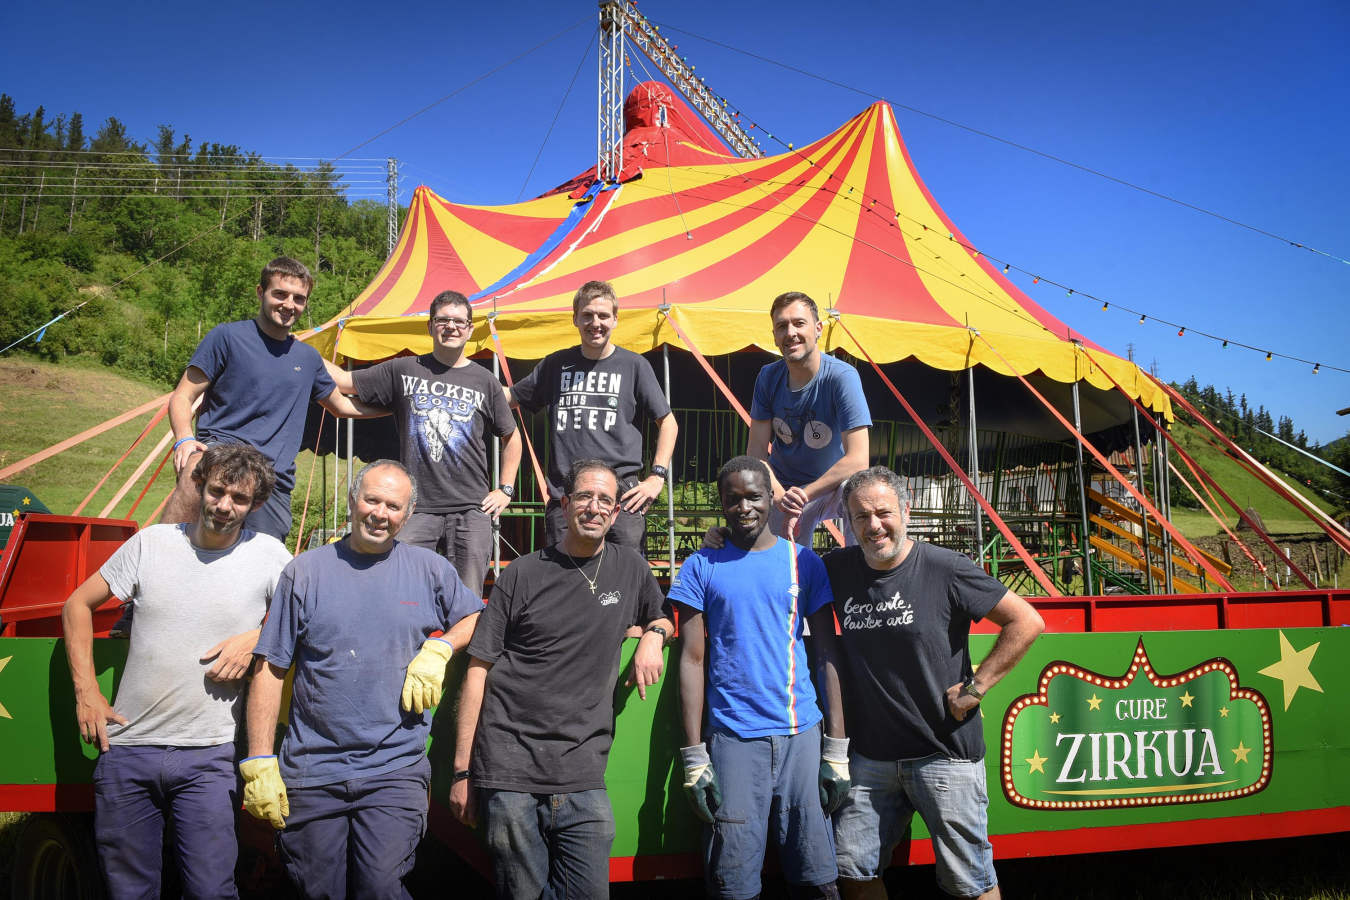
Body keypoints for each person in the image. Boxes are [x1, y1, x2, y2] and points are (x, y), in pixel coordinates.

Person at [241, 460, 482, 900]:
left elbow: (475, 617)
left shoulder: (429, 569)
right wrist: (259, 760)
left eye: (393, 506)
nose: (380, 513)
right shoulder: (304, 572)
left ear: (407, 516)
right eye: (372, 500)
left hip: (394, 768)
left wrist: (442, 647)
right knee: (318, 892)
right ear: (353, 501)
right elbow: (270, 667)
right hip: (313, 769)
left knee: (380, 888)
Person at [61, 444, 292, 900]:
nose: (224, 506)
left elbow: (302, 621)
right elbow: (76, 605)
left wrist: (256, 638)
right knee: (129, 892)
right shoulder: (152, 543)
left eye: (239, 499)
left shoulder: (269, 555)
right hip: (128, 748)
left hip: (207, 757)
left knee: (211, 891)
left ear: (257, 505)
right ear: (200, 486)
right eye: (218, 490)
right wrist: (86, 691)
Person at [817, 466, 1045, 900]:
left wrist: (977, 687)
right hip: (870, 760)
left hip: (944, 755)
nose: (874, 526)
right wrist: (721, 539)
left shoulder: (946, 568)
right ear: (849, 522)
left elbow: (1027, 621)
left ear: (906, 510)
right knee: (853, 869)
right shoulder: (837, 569)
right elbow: (777, 564)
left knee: (970, 881)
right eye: (860, 517)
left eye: (883, 513)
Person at [450, 458, 673, 899]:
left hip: (583, 772)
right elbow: (478, 671)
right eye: (585, 496)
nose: (594, 507)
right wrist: (462, 772)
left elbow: (660, 614)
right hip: (510, 770)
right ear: (566, 504)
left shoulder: (630, 568)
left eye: (605, 500)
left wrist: (654, 635)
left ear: (615, 512)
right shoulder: (522, 574)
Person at [670, 455, 844, 900]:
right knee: (733, 882)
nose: (744, 507)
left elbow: (826, 652)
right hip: (733, 739)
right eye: (733, 499)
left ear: (771, 498)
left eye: (753, 496)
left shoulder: (804, 563)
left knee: (817, 877)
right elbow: (691, 660)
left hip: (801, 735)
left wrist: (836, 750)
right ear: (721, 504)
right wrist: (694, 756)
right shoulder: (701, 566)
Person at [161, 256, 380, 540]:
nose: (289, 305)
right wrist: (184, 439)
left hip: (272, 480)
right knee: (176, 545)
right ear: (260, 292)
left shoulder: (307, 357)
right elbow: (183, 396)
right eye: (280, 294)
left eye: (299, 298)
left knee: (261, 571)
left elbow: (341, 405)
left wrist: (399, 408)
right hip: (223, 460)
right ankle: (148, 563)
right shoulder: (227, 337)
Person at [324, 289, 522, 596]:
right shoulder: (404, 370)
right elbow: (344, 382)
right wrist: (298, 352)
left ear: (469, 329)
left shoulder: (485, 382)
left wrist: (506, 489)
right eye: (443, 320)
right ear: (430, 327)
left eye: (459, 321)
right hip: (416, 507)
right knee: (402, 589)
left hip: (471, 508)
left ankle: (460, 646)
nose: (451, 327)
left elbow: (512, 436)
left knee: (466, 597)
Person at [507, 279, 678, 550]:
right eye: (587, 315)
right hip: (568, 496)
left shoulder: (634, 365)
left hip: (623, 496)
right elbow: (511, 398)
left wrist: (657, 477)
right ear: (575, 318)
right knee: (564, 583)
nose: (594, 322)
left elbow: (668, 422)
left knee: (625, 581)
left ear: (615, 319)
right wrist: (469, 381)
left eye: (603, 315)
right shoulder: (556, 364)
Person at [748, 291, 871, 543]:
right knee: (784, 566)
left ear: (818, 329)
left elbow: (859, 459)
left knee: (859, 488)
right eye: (782, 326)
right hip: (782, 488)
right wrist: (781, 496)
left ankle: (859, 570)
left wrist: (804, 495)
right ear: (774, 336)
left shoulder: (841, 377)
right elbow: (756, 453)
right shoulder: (767, 377)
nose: (790, 332)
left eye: (799, 323)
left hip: (830, 487)